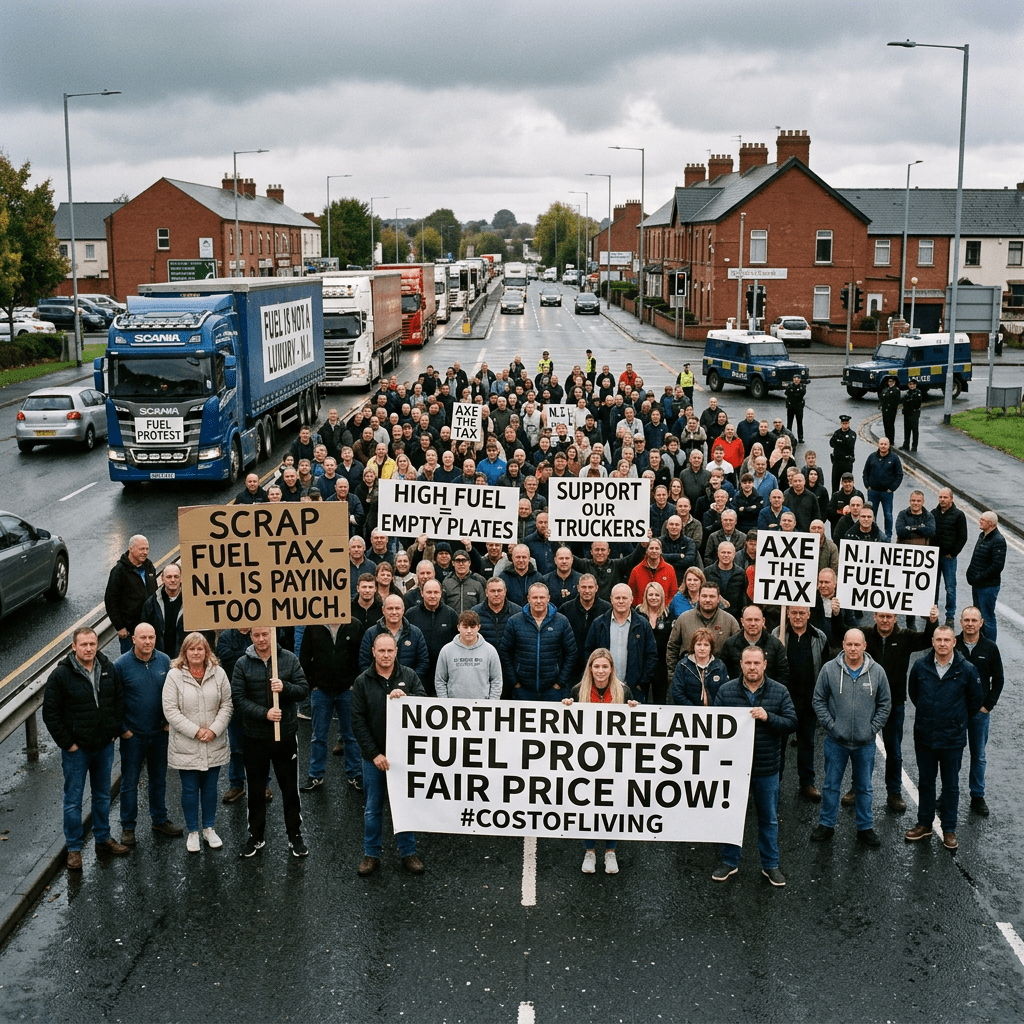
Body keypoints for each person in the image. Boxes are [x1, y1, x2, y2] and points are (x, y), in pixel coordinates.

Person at [43, 627, 129, 870]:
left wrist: (113, 731)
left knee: (102, 796)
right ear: (74, 647)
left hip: (103, 746)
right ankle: (74, 849)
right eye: (84, 645)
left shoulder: (108, 668)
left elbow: (118, 700)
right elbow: (50, 713)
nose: (89, 648)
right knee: (73, 801)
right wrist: (67, 743)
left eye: (92, 643)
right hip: (77, 751)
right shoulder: (61, 675)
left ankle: (103, 839)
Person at [712, 646, 796, 887]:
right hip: (734, 768)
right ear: (740, 664)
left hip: (766, 767)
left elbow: (792, 722)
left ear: (764, 665)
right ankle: (729, 861)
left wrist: (768, 717)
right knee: (731, 817)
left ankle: (771, 865)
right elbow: (713, 726)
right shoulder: (726, 691)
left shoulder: (779, 692)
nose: (752, 667)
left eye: (756, 663)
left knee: (768, 819)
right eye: (747, 663)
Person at [352, 631, 427, 876]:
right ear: (373, 652)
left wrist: (408, 698)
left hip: (403, 758)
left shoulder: (409, 676)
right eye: (381, 650)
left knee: (404, 807)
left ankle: (409, 853)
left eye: (390, 650)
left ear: (397, 652)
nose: (386, 655)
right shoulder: (362, 681)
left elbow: (425, 705)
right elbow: (357, 721)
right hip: (374, 759)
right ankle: (371, 854)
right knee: (373, 808)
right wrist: (374, 754)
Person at [231, 626, 310, 859]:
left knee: (289, 789)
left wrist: (284, 688)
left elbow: (304, 690)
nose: (261, 639)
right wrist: (264, 713)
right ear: (251, 636)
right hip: (255, 737)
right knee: (255, 789)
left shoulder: (288, 659)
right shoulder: (242, 664)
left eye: (265, 634)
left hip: (285, 735)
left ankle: (294, 836)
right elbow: (238, 698)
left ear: (272, 635)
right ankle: (256, 836)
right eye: (257, 635)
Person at [810, 629, 891, 848]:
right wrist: (832, 726)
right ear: (843, 645)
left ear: (864, 646)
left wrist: (872, 728)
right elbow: (818, 700)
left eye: (857, 645)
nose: (853, 649)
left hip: (865, 743)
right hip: (836, 741)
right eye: (849, 644)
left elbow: (885, 704)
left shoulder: (877, 672)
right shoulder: (829, 670)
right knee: (830, 785)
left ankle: (865, 827)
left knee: (864, 787)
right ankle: (826, 825)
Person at [905, 625, 983, 851]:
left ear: (954, 642)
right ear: (932, 642)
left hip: (952, 740)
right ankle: (924, 824)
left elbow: (974, 701)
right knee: (926, 783)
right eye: (938, 639)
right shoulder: (920, 666)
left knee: (950, 786)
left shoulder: (967, 670)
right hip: (925, 737)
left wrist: (956, 721)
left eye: (946, 640)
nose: (942, 644)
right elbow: (914, 694)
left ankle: (949, 829)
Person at [562, 649, 638, 875]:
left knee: (612, 804)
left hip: (615, 758)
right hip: (586, 759)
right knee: (588, 804)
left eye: (605, 667)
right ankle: (590, 851)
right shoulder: (578, 691)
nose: (601, 671)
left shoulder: (623, 691)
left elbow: (635, 726)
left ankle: (611, 851)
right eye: (597, 667)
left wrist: (635, 709)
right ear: (590, 669)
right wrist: (566, 706)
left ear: (611, 668)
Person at [858, 605, 939, 813]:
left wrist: (932, 621)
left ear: (896, 618)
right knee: (860, 746)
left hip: (894, 703)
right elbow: (843, 633)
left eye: (890, 616)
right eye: (881, 616)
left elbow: (927, 639)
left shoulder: (905, 636)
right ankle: (855, 787)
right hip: (866, 700)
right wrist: (837, 614)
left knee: (894, 749)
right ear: (875, 616)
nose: (885, 620)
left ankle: (894, 792)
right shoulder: (865, 635)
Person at [162, 633, 233, 853]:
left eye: (200, 649)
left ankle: (209, 829)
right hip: (187, 745)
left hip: (214, 741)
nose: (196, 653)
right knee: (190, 789)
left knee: (210, 788)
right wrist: (196, 731)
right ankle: (193, 831)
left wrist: (213, 730)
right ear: (184, 652)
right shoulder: (174, 676)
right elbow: (170, 710)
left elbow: (227, 704)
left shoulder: (218, 673)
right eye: (191, 649)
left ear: (206, 651)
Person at [114, 623, 180, 847]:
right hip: (133, 736)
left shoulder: (165, 661)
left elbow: (174, 694)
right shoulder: (121, 665)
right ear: (133, 639)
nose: (148, 642)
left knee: (158, 779)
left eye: (151, 637)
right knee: (129, 782)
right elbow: (113, 701)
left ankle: (159, 819)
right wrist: (124, 729)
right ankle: (128, 827)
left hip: (159, 733)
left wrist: (168, 723)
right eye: (143, 638)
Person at [298, 616, 366, 793]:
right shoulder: (314, 624)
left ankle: (355, 774)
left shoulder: (355, 625)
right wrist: (311, 682)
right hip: (321, 690)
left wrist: (355, 683)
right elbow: (305, 656)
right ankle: (315, 775)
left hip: (347, 690)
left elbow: (362, 656)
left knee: (350, 735)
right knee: (318, 736)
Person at [773, 606, 828, 800]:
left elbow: (825, 667)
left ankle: (807, 783)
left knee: (807, 743)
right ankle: (775, 785)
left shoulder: (819, 636)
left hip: (808, 700)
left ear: (808, 614)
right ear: (787, 614)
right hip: (782, 702)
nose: (797, 617)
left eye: (801, 613)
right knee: (778, 745)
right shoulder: (777, 633)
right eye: (794, 612)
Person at [957, 606, 1004, 818]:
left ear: (981, 622)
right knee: (951, 755)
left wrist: (987, 706)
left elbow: (999, 680)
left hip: (979, 713)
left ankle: (977, 795)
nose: (970, 624)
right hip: (955, 712)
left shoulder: (990, 648)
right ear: (960, 622)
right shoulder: (953, 644)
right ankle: (948, 793)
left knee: (978, 755)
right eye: (966, 619)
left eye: (974, 620)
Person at [498, 582, 577, 700]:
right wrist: (515, 681)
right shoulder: (514, 621)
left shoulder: (562, 621)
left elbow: (571, 652)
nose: (538, 601)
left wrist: (560, 682)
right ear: (528, 598)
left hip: (553, 690)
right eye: (535, 597)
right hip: (523, 690)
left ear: (548, 598)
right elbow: (504, 651)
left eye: (542, 597)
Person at [584, 583, 658, 703]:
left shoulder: (643, 624)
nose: (621, 601)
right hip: (603, 688)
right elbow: (589, 652)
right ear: (611, 599)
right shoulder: (599, 624)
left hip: (634, 689)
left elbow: (651, 655)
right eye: (617, 598)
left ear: (631, 600)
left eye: (624, 598)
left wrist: (641, 682)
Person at [666, 583, 740, 674]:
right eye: (704, 596)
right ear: (698, 597)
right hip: (688, 675)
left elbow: (738, 652)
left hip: (720, 678)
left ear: (718, 599)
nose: (708, 600)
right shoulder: (683, 619)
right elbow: (672, 648)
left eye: (712, 596)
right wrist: (672, 676)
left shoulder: (730, 622)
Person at [105, 535, 158, 654]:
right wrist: (119, 626)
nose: (145, 552)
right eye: (141, 549)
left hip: (149, 628)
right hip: (129, 632)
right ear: (131, 549)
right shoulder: (119, 571)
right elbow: (110, 600)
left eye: (147, 549)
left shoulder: (149, 567)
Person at [435, 611, 503, 699]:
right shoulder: (446, 650)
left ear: (478, 627)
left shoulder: (490, 651)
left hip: (482, 707)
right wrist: (445, 702)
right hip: (454, 706)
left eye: (472, 627)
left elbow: (496, 680)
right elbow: (440, 680)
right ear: (458, 627)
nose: (469, 631)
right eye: (465, 627)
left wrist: (491, 703)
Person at [965, 511, 1005, 641]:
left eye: (983, 520)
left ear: (991, 523)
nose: (979, 521)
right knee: (978, 616)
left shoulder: (998, 540)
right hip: (978, 584)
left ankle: (991, 645)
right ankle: (981, 642)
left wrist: (980, 576)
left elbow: (997, 566)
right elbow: (976, 558)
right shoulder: (982, 535)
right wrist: (970, 573)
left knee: (987, 617)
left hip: (988, 586)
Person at [932, 488, 968, 626]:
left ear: (951, 499)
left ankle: (950, 616)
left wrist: (953, 553)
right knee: (933, 587)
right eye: (940, 497)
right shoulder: (934, 513)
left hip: (948, 558)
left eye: (945, 497)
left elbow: (963, 537)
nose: (942, 500)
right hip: (934, 557)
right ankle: (932, 612)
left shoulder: (959, 515)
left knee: (950, 587)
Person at [671, 628, 728, 706]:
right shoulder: (682, 665)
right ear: (693, 646)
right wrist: (695, 711)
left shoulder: (720, 666)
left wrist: (715, 710)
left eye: (706, 645)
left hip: (714, 713)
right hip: (689, 713)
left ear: (711, 647)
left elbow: (725, 693)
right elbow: (677, 693)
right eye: (698, 644)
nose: (702, 648)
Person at [639, 581, 676, 703]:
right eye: (650, 595)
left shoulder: (669, 615)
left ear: (662, 597)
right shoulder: (638, 613)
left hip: (662, 665)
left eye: (657, 595)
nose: (653, 598)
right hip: (641, 664)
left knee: (660, 700)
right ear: (645, 596)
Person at [862, 437, 903, 542]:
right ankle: (872, 535)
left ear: (889, 445)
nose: (883, 446)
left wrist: (892, 488)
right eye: (881, 444)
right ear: (878, 445)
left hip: (887, 493)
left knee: (888, 515)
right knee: (872, 515)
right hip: (873, 492)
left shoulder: (894, 458)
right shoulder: (872, 457)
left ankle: (888, 536)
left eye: (885, 444)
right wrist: (867, 485)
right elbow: (865, 472)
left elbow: (899, 475)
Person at [141, 563, 185, 657]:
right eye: (169, 577)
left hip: (184, 657)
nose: (173, 580)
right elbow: (144, 631)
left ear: (181, 578)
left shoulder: (191, 602)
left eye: (176, 576)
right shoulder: (151, 604)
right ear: (162, 578)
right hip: (159, 657)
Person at [828, 415, 857, 494]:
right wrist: (839, 441)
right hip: (837, 462)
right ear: (841, 423)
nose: (845, 425)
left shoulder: (852, 434)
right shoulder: (837, 432)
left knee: (847, 483)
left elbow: (849, 445)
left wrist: (839, 441)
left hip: (847, 462)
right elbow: (831, 443)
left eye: (846, 423)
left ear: (849, 423)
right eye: (843, 423)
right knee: (835, 484)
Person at [900, 379, 923, 451]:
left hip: (914, 413)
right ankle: (906, 444)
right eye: (910, 384)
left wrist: (909, 401)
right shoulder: (907, 393)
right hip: (907, 413)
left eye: (913, 384)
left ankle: (914, 446)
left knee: (915, 430)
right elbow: (904, 402)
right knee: (907, 429)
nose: (912, 386)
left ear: (915, 385)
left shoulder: (918, 392)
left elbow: (916, 403)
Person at [879, 376, 901, 446]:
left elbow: (896, 401)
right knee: (885, 425)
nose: (890, 383)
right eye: (889, 382)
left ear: (894, 382)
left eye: (892, 382)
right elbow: (882, 398)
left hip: (891, 410)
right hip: (885, 410)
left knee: (890, 425)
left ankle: (891, 441)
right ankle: (887, 439)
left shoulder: (896, 390)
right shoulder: (886, 390)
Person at [784, 374, 806, 443]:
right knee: (789, 423)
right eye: (795, 379)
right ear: (793, 380)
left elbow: (802, 393)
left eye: (798, 379)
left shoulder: (802, 387)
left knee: (799, 423)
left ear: (800, 380)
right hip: (791, 406)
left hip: (799, 407)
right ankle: (788, 437)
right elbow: (786, 393)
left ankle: (800, 438)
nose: (796, 380)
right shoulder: (789, 386)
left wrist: (794, 393)